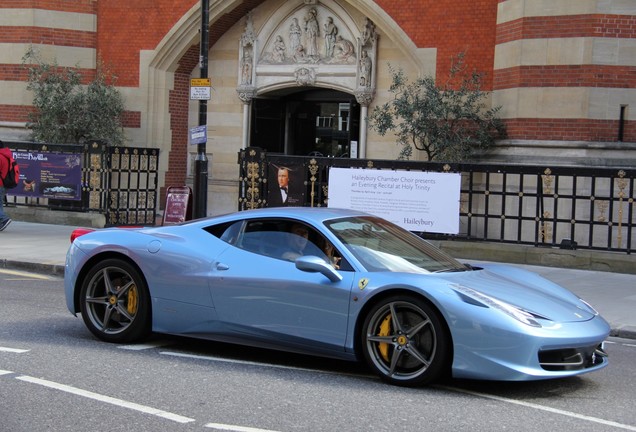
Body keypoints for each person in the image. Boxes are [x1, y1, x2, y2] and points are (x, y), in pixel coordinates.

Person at [0, 140, 13, 231]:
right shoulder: (6, 156)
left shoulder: (0, 157)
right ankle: (1, 222)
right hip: (4, 184)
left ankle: (4, 218)